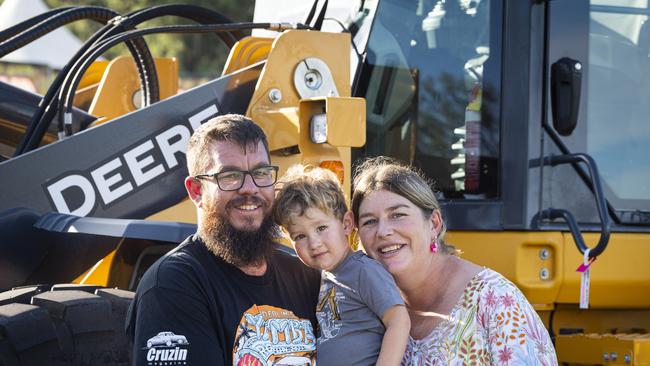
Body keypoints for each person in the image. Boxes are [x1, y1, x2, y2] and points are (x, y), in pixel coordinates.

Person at [126, 114, 321, 366]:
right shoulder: (172, 285)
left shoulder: (303, 275)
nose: (250, 188)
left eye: (261, 173)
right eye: (229, 176)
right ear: (197, 191)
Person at [350, 157, 558, 365]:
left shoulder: (496, 302)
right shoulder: (366, 309)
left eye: (397, 215)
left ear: (434, 223)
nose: (383, 231)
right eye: (370, 221)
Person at [273, 164, 410, 366]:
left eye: (321, 228)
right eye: (300, 236)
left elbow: (399, 321)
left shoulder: (364, 270)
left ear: (346, 224)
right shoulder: (324, 278)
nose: (314, 243)